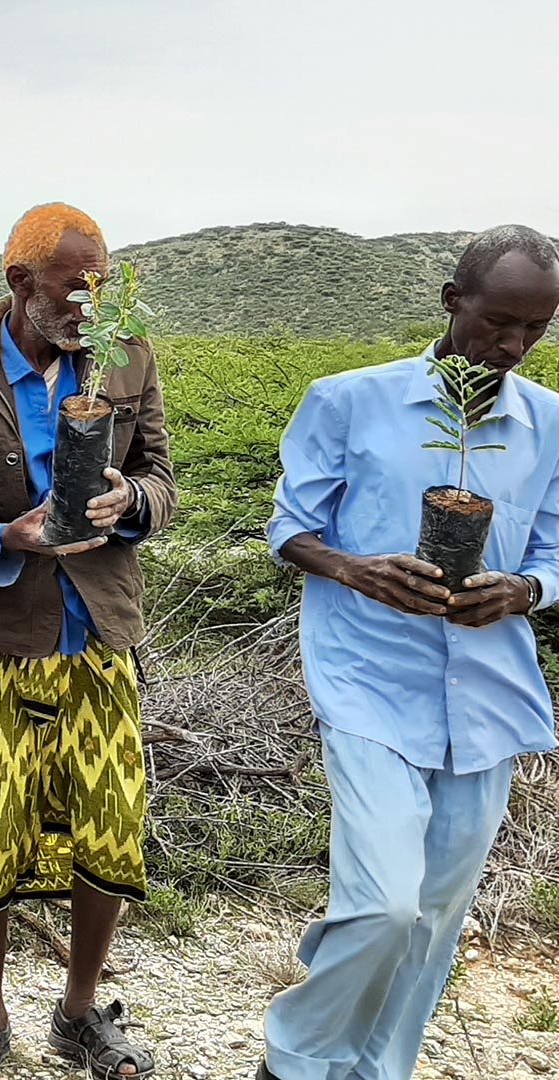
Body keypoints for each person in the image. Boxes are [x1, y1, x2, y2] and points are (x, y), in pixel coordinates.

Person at [258, 225, 559, 1080]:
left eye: (535, 328)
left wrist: (525, 589)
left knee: (431, 923)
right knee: (385, 905)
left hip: (488, 697)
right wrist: (355, 568)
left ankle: (376, 1072)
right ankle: (293, 1060)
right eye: (498, 322)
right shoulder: (348, 401)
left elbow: (552, 548)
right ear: (452, 301)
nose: (513, 346)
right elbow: (289, 529)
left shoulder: (548, 423)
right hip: (368, 684)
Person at [0, 203, 175, 1080]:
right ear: (19, 281)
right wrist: (3, 537)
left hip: (99, 630)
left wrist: (130, 502)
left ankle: (79, 1007)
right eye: (74, 286)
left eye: (101, 285)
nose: (91, 304)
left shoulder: (126, 354)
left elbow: (161, 476)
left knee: (110, 819)